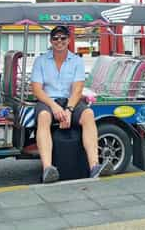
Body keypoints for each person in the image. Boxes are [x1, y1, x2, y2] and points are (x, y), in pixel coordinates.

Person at [31, 25, 106, 183]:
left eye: (63, 38)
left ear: (69, 40)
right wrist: (54, 106)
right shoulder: (41, 61)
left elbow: (77, 89)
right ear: (51, 41)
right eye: (55, 38)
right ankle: (47, 168)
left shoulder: (77, 61)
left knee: (88, 114)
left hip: (70, 99)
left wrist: (69, 110)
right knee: (44, 117)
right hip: (47, 100)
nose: (59, 41)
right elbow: (37, 90)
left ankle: (94, 166)